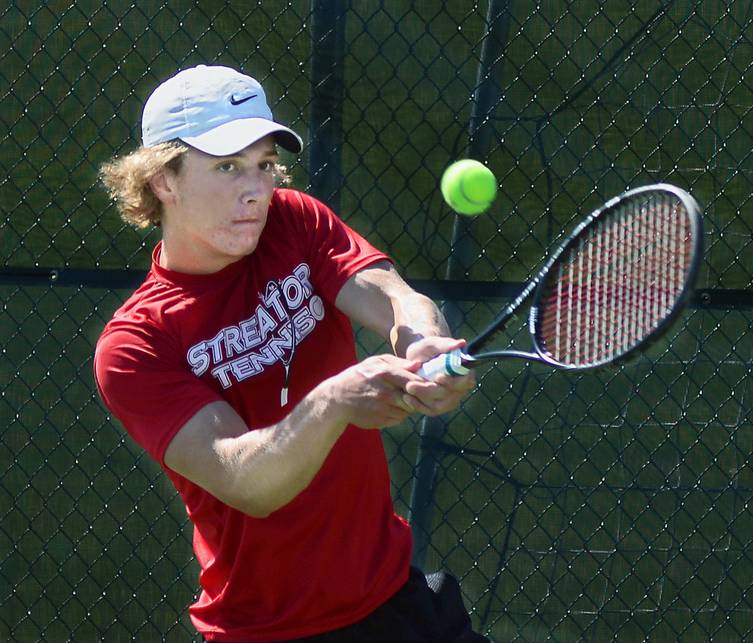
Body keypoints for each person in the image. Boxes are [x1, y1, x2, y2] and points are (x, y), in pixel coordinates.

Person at [94, 64, 489, 642]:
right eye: (227, 167)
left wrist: (420, 340)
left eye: (263, 165)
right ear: (163, 180)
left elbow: (395, 298)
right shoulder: (136, 345)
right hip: (268, 631)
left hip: (395, 602)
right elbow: (248, 481)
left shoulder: (294, 221)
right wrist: (332, 402)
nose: (255, 189)